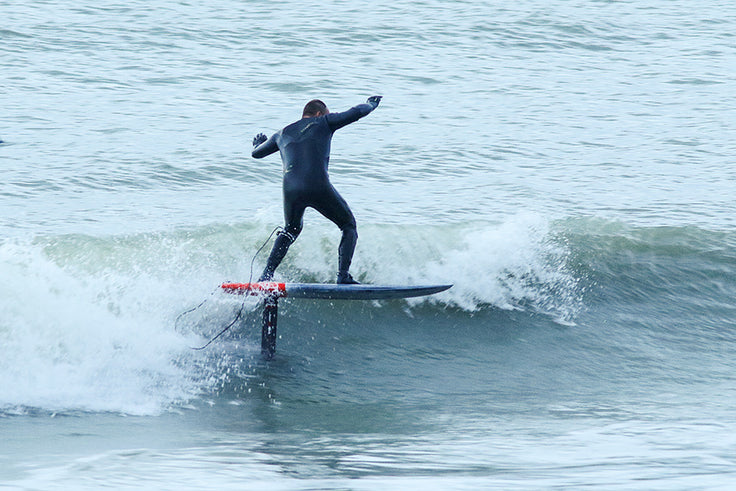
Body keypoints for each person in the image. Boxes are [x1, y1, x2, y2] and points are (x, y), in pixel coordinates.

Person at [252, 95, 382, 284]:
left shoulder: (281, 134)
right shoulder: (323, 121)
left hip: (291, 189)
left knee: (291, 229)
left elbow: (257, 154)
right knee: (348, 226)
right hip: (316, 184)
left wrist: (257, 143)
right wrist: (371, 104)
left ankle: (266, 275)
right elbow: (356, 113)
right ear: (319, 113)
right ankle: (343, 276)